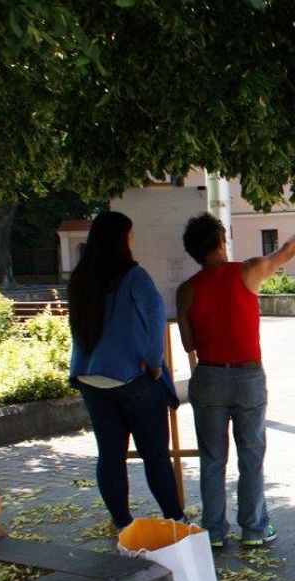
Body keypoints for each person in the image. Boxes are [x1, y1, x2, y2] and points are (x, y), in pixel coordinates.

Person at [176, 211, 295, 549]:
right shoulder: (247, 271)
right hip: (247, 376)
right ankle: (254, 528)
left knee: (212, 458)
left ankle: (213, 531)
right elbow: (285, 252)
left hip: (208, 377)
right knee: (251, 455)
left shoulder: (186, 290)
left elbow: (188, 344)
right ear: (220, 241)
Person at [67, 211, 185, 530]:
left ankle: (122, 524)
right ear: (122, 239)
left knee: (110, 455)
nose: (133, 241)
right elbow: (156, 310)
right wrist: (152, 358)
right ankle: (176, 519)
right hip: (131, 377)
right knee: (155, 454)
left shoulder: (80, 278)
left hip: (91, 377)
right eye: (130, 235)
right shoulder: (133, 275)